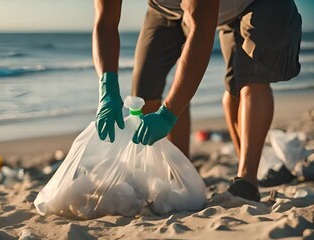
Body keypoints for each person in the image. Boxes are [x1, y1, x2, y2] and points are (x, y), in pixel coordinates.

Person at [93, 0, 302, 202]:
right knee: (144, 93)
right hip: (169, 9)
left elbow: (201, 32)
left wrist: (168, 114)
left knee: (246, 83)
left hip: (256, 4)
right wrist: (107, 87)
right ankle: (181, 176)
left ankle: (247, 181)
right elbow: (104, 21)